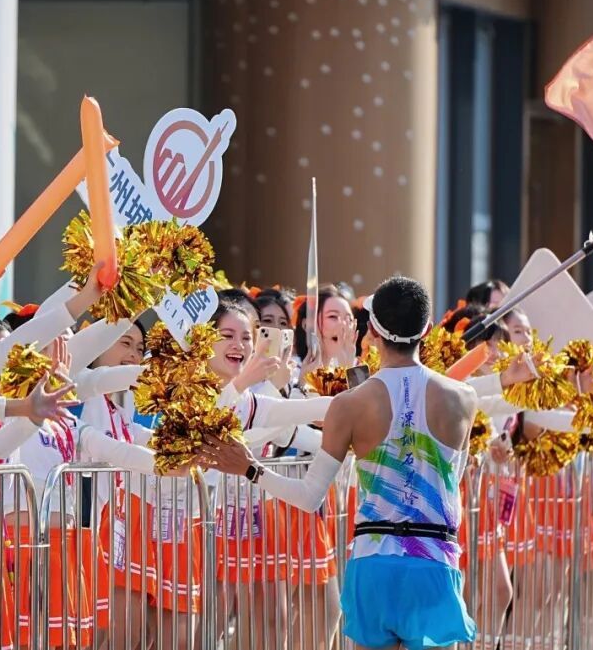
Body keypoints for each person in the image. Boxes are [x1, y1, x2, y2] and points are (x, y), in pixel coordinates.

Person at [201, 276, 479, 649]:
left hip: (375, 561)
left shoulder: (351, 404)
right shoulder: (463, 398)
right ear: (427, 329)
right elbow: (450, 483)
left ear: (372, 331)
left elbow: (309, 496)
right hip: (435, 560)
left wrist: (251, 469)